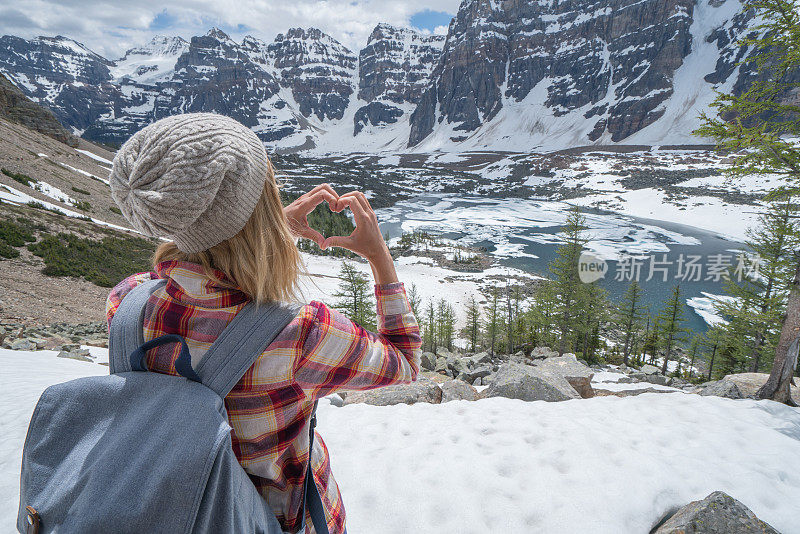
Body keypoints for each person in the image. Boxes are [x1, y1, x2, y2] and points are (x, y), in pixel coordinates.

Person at [105, 113, 422, 533]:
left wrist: (263, 227)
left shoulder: (126, 302)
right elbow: (404, 362)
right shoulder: (301, 334)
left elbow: (204, 277)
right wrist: (379, 257)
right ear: (259, 208)